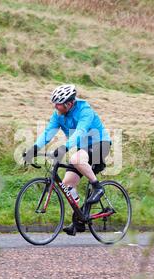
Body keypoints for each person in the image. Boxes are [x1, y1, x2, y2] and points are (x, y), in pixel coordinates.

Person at [23, 84, 112, 236]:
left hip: (100, 144)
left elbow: (80, 132)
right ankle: (80, 219)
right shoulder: (58, 114)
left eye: (58, 104)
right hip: (83, 148)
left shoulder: (85, 111)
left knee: (75, 158)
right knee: (67, 185)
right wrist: (34, 148)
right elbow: (48, 133)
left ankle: (98, 187)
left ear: (69, 104)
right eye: (55, 104)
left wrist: (64, 147)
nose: (56, 107)